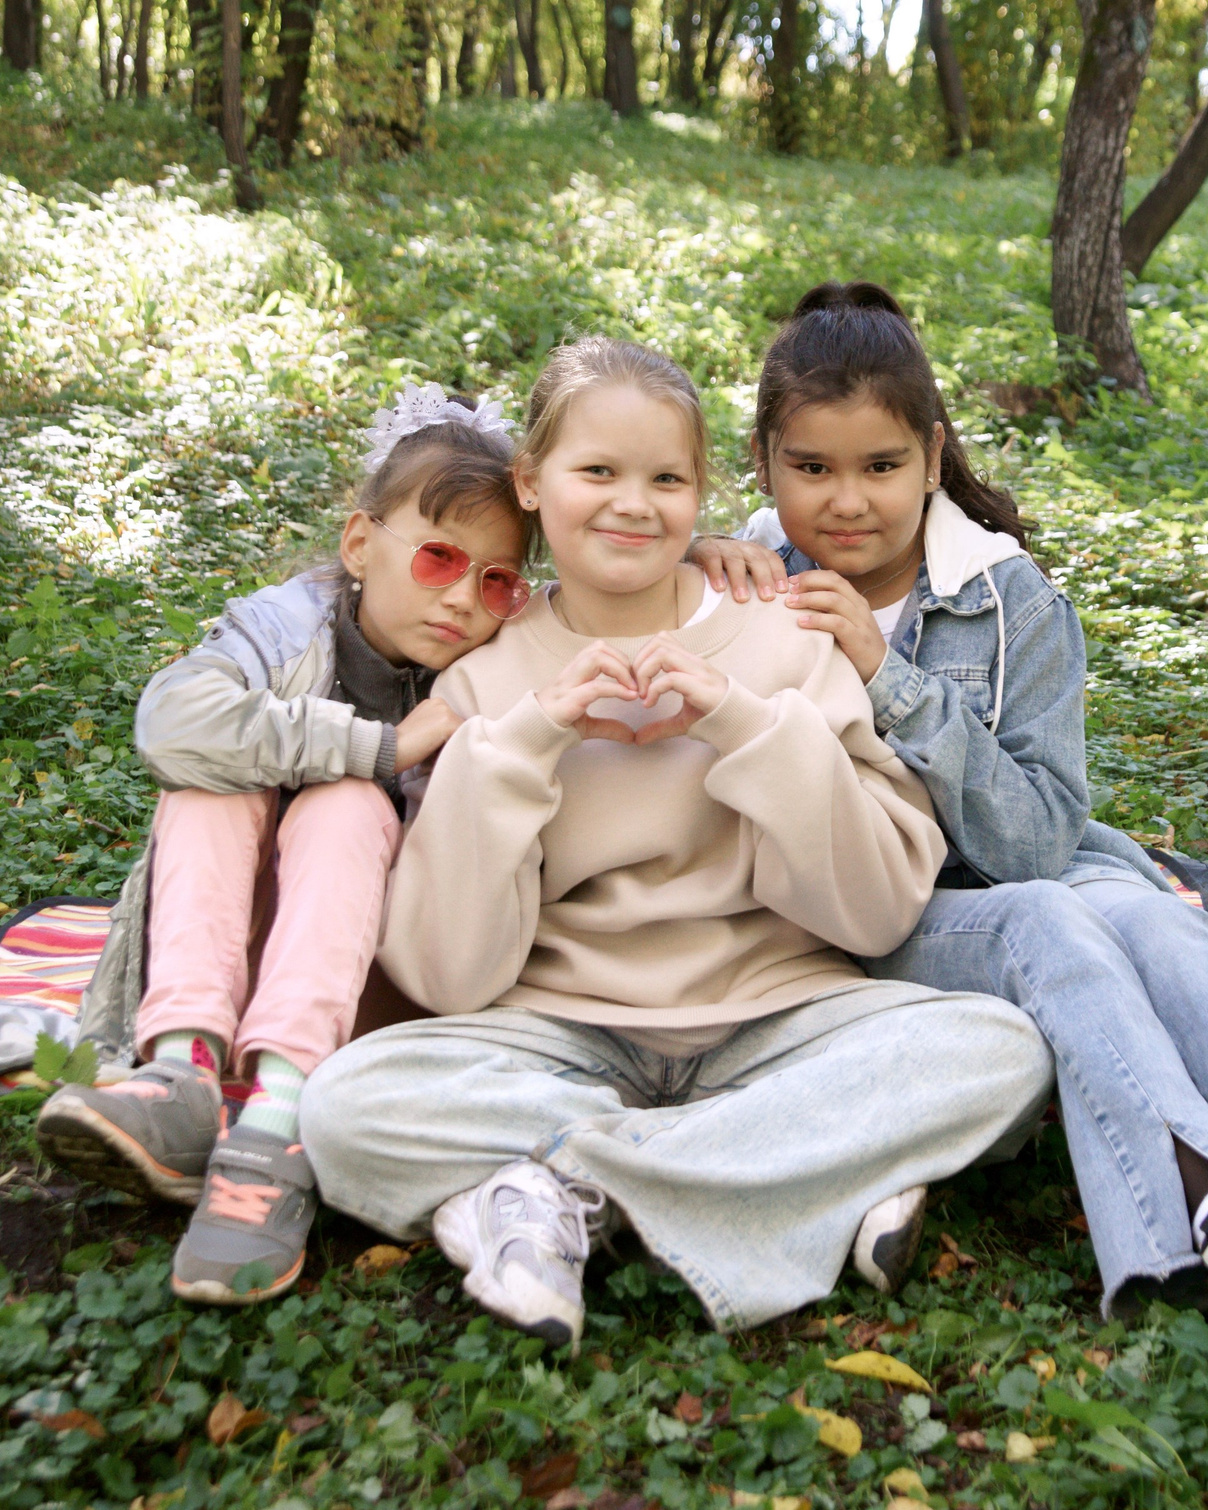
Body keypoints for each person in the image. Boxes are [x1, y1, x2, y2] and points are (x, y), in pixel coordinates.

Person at [299, 336, 1053, 1352]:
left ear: (703, 494)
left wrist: (745, 723)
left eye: (665, 478)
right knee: (346, 1107)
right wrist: (524, 741)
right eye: (596, 471)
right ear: (531, 482)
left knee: (998, 1055)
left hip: (778, 1018)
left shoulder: (784, 640)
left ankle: (554, 1196)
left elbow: (876, 911)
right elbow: (445, 972)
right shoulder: (483, 674)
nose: (631, 503)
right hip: (560, 1031)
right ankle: (810, 1182)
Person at [691, 281, 1208, 1318]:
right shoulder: (743, 581)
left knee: (1148, 919)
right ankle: (1178, 1213)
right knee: (1047, 917)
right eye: (810, 468)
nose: (846, 500)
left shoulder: (1007, 597)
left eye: (881, 466)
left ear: (931, 456)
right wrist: (691, 563)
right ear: (763, 465)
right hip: (873, 913)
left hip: (1020, 864)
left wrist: (889, 674)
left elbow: (1032, 838)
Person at [36, 386, 538, 1306]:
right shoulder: (291, 622)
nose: (465, 598)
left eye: (497, 579)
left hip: (373, 982)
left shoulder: (505, 653)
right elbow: (172, 721)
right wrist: (384, 745)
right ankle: (181, 1072)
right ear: (358, 546)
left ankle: (278, 1124)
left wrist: (712, 548)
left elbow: (634, 589)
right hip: (238, 944)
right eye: (437, 557)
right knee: (211, 780)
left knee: (349, 807)